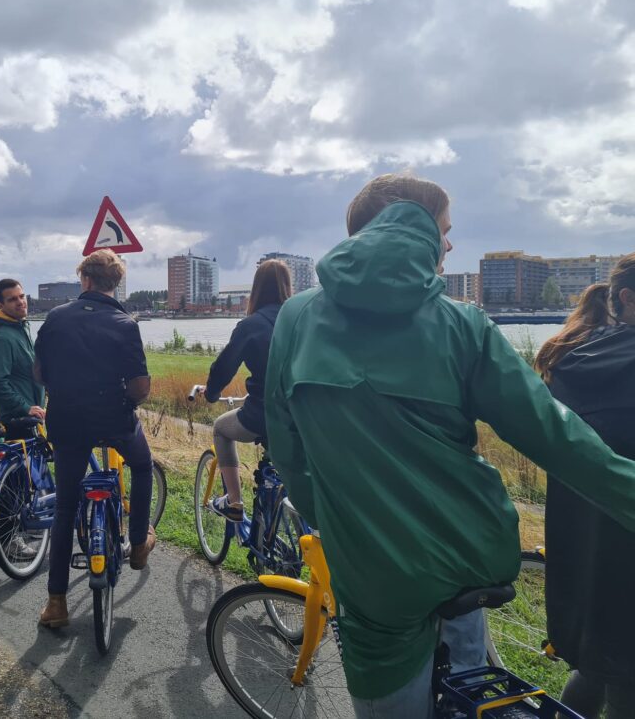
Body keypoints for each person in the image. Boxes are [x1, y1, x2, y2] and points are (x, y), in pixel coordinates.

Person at [264, 173, 635, 719]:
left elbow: (285, 444)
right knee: (471, 691)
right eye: (444, 229)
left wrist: (338, 516)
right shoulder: (462, 323)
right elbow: (558, 438)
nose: (450, 244)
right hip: (468, 554)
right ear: (409, 228)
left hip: (372, 573)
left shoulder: (295, 318)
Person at [533, 254, 635, 719]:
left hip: (581, 551)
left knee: (598, 667)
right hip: (624, 551)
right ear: (627, 299)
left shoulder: (574, 359)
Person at [33, 250, 155, 628]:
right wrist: (128, 398)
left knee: (66, 506)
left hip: (67, 420)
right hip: (113, 419)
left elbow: (39, 374)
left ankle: (56, 604)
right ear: (114, 283)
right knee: (142, 464)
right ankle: (137, 544)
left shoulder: (54, 318)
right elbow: (138, 387)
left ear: (84, 279)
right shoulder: (125, 323)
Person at [202, 259, 291, 521]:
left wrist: (212, 392)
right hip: (301, 411)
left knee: (220, 428)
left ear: (257, 289)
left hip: (262, 413)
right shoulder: (300, 319)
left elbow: (224, 367)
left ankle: (234, 502)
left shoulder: (251, 325)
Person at [0, 279, 45, 430]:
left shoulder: (20, 327)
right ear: (0, 304)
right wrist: (25, 407)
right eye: (12, 299)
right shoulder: (3, 338)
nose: (20, 302)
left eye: (22, 296)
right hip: (18, 420)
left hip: (33, 416)